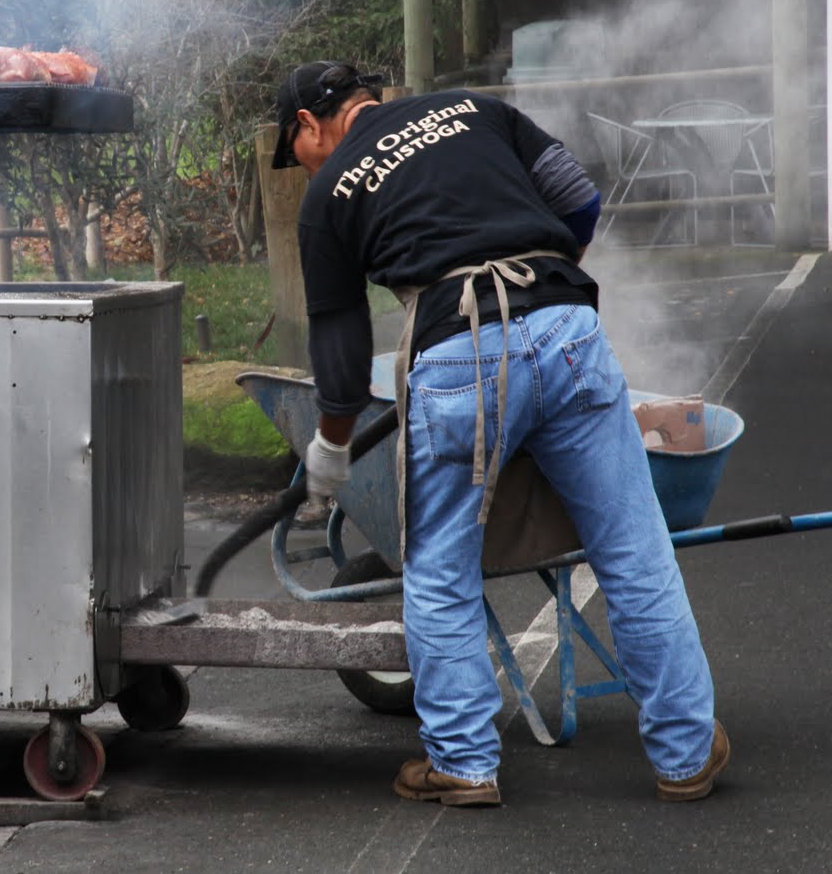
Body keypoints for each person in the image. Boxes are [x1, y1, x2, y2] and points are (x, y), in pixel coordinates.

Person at [269, 61, 727, 806]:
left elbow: (343, 350)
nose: (306, 167)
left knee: (441, 568)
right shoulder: (473, 109)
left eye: (300, 152)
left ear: (310, 127)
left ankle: (464, 764)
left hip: (458, 353)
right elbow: (577, 195)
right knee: (632, 548)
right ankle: (684, 755)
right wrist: (547, 281)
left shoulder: (331, 191)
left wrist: (330, 443)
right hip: (568, 327)